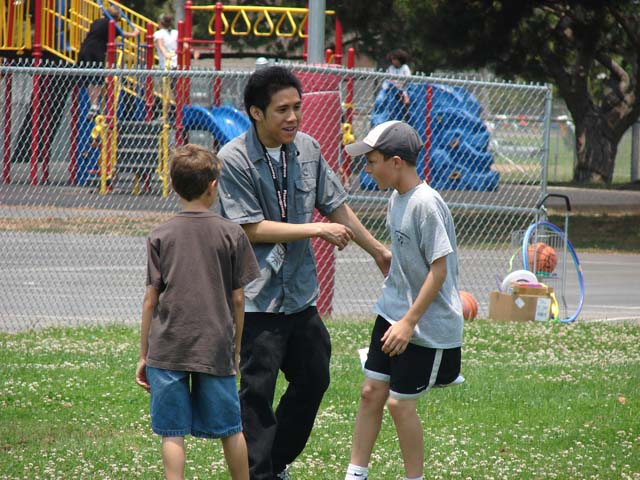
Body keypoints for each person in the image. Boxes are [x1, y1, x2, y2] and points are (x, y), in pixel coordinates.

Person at [217, 66, 391, 480]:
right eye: (282, 110)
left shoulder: (308, 149)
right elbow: (249, 228)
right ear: (256, 113)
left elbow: (336, 205)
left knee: (314, 377)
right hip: (257, 300)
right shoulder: (233, 159)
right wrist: (314, 229)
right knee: (256, 396)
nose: (293, 117)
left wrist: (377, 251)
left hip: (298, 296)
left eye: (297, 107)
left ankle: (274, 464)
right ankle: (259, 473)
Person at [342, 121, 464, 480]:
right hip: (392, 311)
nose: (367, 170)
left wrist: (409, 323)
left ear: (396, 162)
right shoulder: (396, 197)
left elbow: (439, 271)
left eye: (371, 162)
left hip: (425, 325)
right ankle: (355, 474)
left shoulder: (426, 203)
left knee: (399, 403)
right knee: (371, 391)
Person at [135, 144, 260, 480]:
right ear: (212, 186)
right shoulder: (231, 233)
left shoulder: (160, 234)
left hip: (168, 347)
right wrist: (235, 348)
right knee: (231, 428)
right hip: (214, 346)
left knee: (172, 432)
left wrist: (144, 354)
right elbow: (238, 299)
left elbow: (150, 300)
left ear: (174, 186)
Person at [77, 6, 139, 120]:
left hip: (85, 50)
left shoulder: (96, 22)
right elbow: (124, 34)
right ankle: (96, 106)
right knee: (97, 79)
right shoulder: (110, 24)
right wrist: (135, 33)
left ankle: (94, 105)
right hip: (96, 52)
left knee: (92, 79)